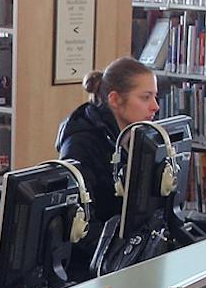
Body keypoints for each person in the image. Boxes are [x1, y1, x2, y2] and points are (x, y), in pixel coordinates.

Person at [57, 56, 158, 252]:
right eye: (145, 97)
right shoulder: (80, 144)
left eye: (155, 96)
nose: (155, 106)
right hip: (100, 260)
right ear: (115, 99)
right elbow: (82, 225)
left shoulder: (138, 136)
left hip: (133, 247)